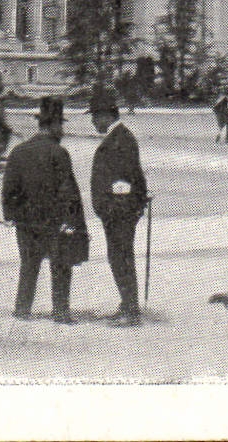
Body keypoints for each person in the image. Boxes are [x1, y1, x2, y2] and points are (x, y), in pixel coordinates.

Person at [1, 96, 88, 324]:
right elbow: (67, 190)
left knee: (29, 265)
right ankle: (60, 312)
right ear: (54, 125)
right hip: (54, 222)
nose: (63, 131)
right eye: (61, 125)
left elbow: (9, 188)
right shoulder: (58, 153)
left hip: (26, 222)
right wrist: (72, 219)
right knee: (60, 266)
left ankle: (22, 309)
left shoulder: (18, 151)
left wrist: (11, 215)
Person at [89, 88, 149, 327]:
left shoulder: (120, 139)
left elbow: (128, 179)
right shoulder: (119, 137)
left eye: (95, 116)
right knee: (120, 258)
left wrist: (114, 208)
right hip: (118, 212)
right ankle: (127, 305)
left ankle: (130, 310)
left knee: (121, 258)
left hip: (119, 213)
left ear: (106, 115)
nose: (93, 122)